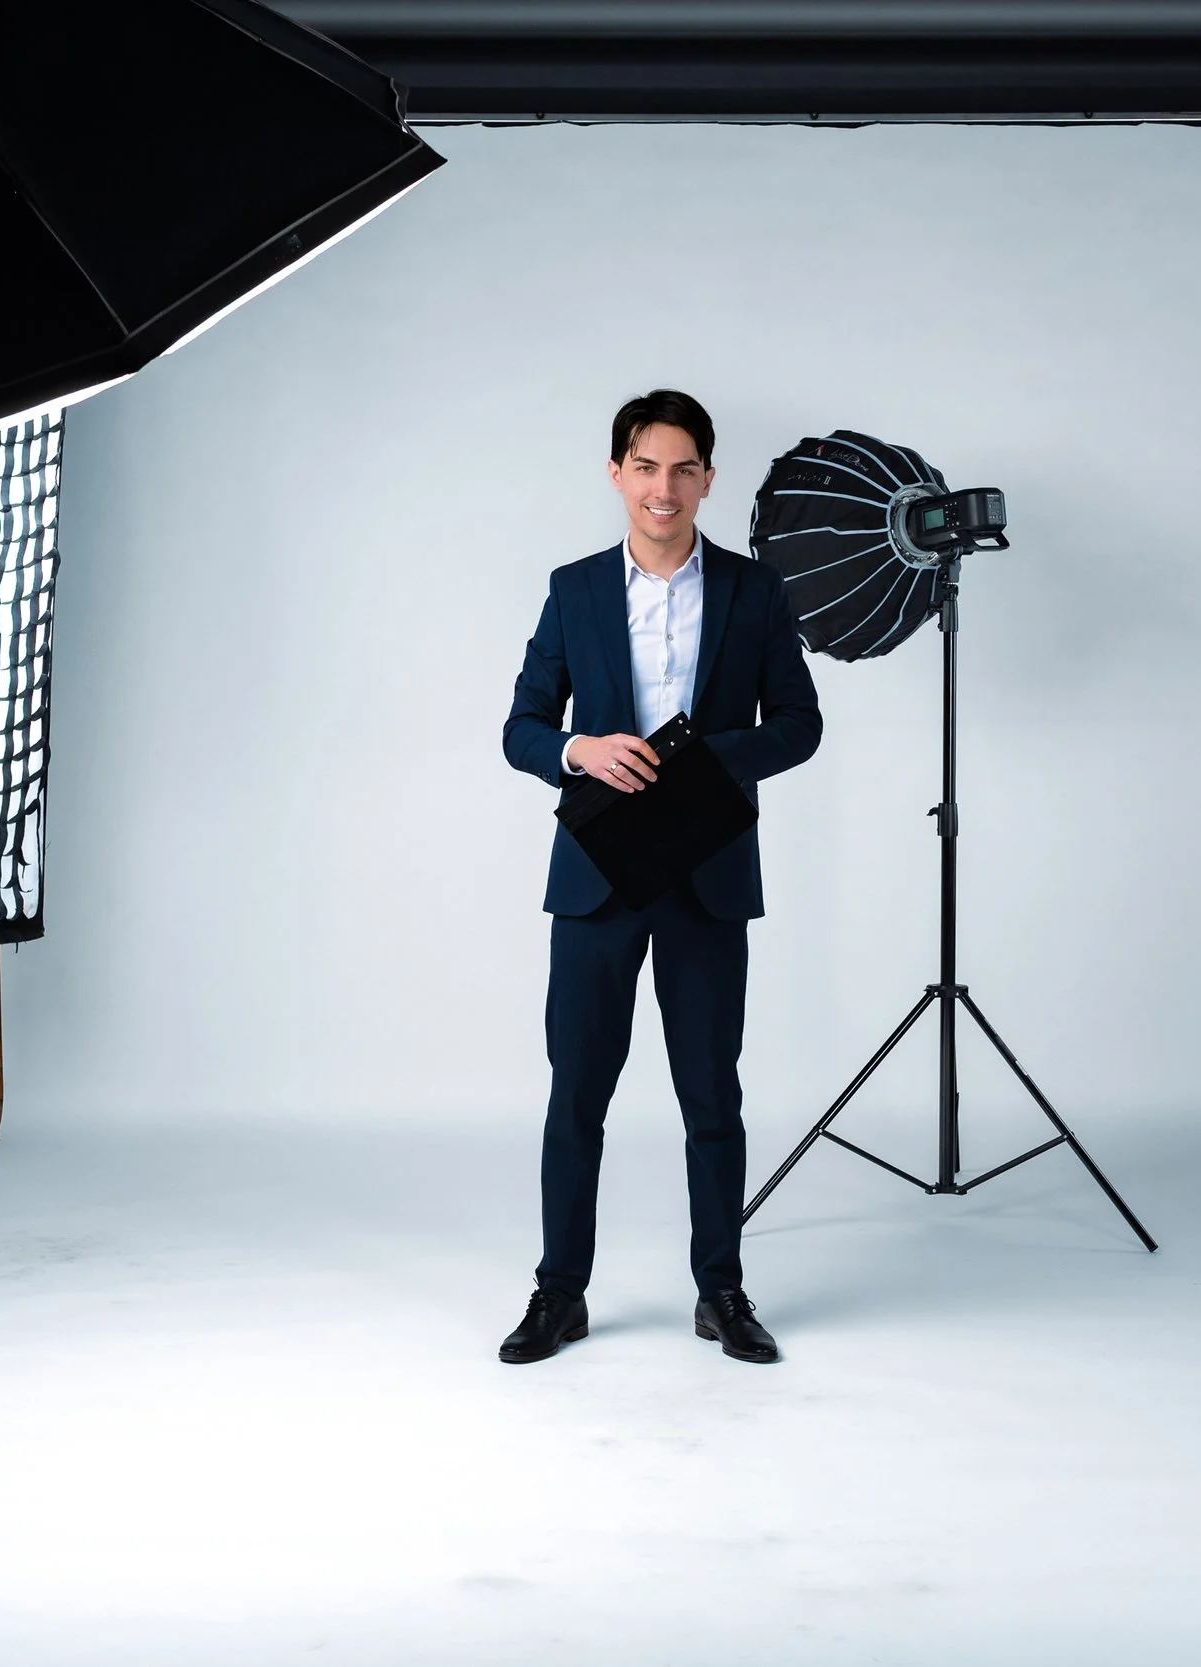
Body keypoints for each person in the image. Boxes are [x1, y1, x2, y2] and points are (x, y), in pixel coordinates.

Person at [498, 389, 822, 1365]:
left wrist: (713, 757)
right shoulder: (574, 589)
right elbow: (518, 728)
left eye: (683, 468)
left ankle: (720, 1290)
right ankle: (560, 1293)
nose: (664, 486)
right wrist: (577, 750)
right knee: (576, 1095)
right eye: (645, 466)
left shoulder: (754, 591)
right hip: (595, 873)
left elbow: (800, 725)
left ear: (708, 479)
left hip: (707, 871)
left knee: (710, 1095)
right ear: (616, 474)